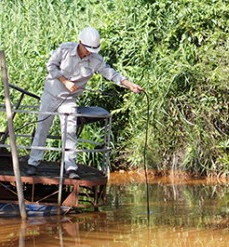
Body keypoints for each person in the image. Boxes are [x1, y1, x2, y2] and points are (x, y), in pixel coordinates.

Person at [27, 26, 143, 179]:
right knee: (42, 127)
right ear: (80, 42)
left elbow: (110, 73)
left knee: (69, 131)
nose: (89, 52)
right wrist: (65, 81)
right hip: (51, 94)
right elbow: (50, 66)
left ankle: (70, 167)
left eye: (92, 50)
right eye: (87, 48)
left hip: (69, 99)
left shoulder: (95, 60)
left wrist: (130, 85)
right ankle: (33, 163)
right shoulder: (65, 49)